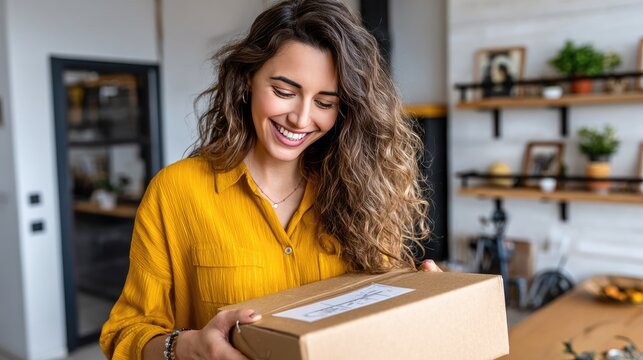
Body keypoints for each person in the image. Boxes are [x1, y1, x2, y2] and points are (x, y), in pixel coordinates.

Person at [100, 0, 439, 359]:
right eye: (284, 92)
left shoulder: (361, 190)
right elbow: (125, 333)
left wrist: (421, 295)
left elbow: (377, 312)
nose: (301, 118)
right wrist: (187, 347)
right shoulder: (176, 192)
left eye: (325, 103)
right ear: (248, 79)